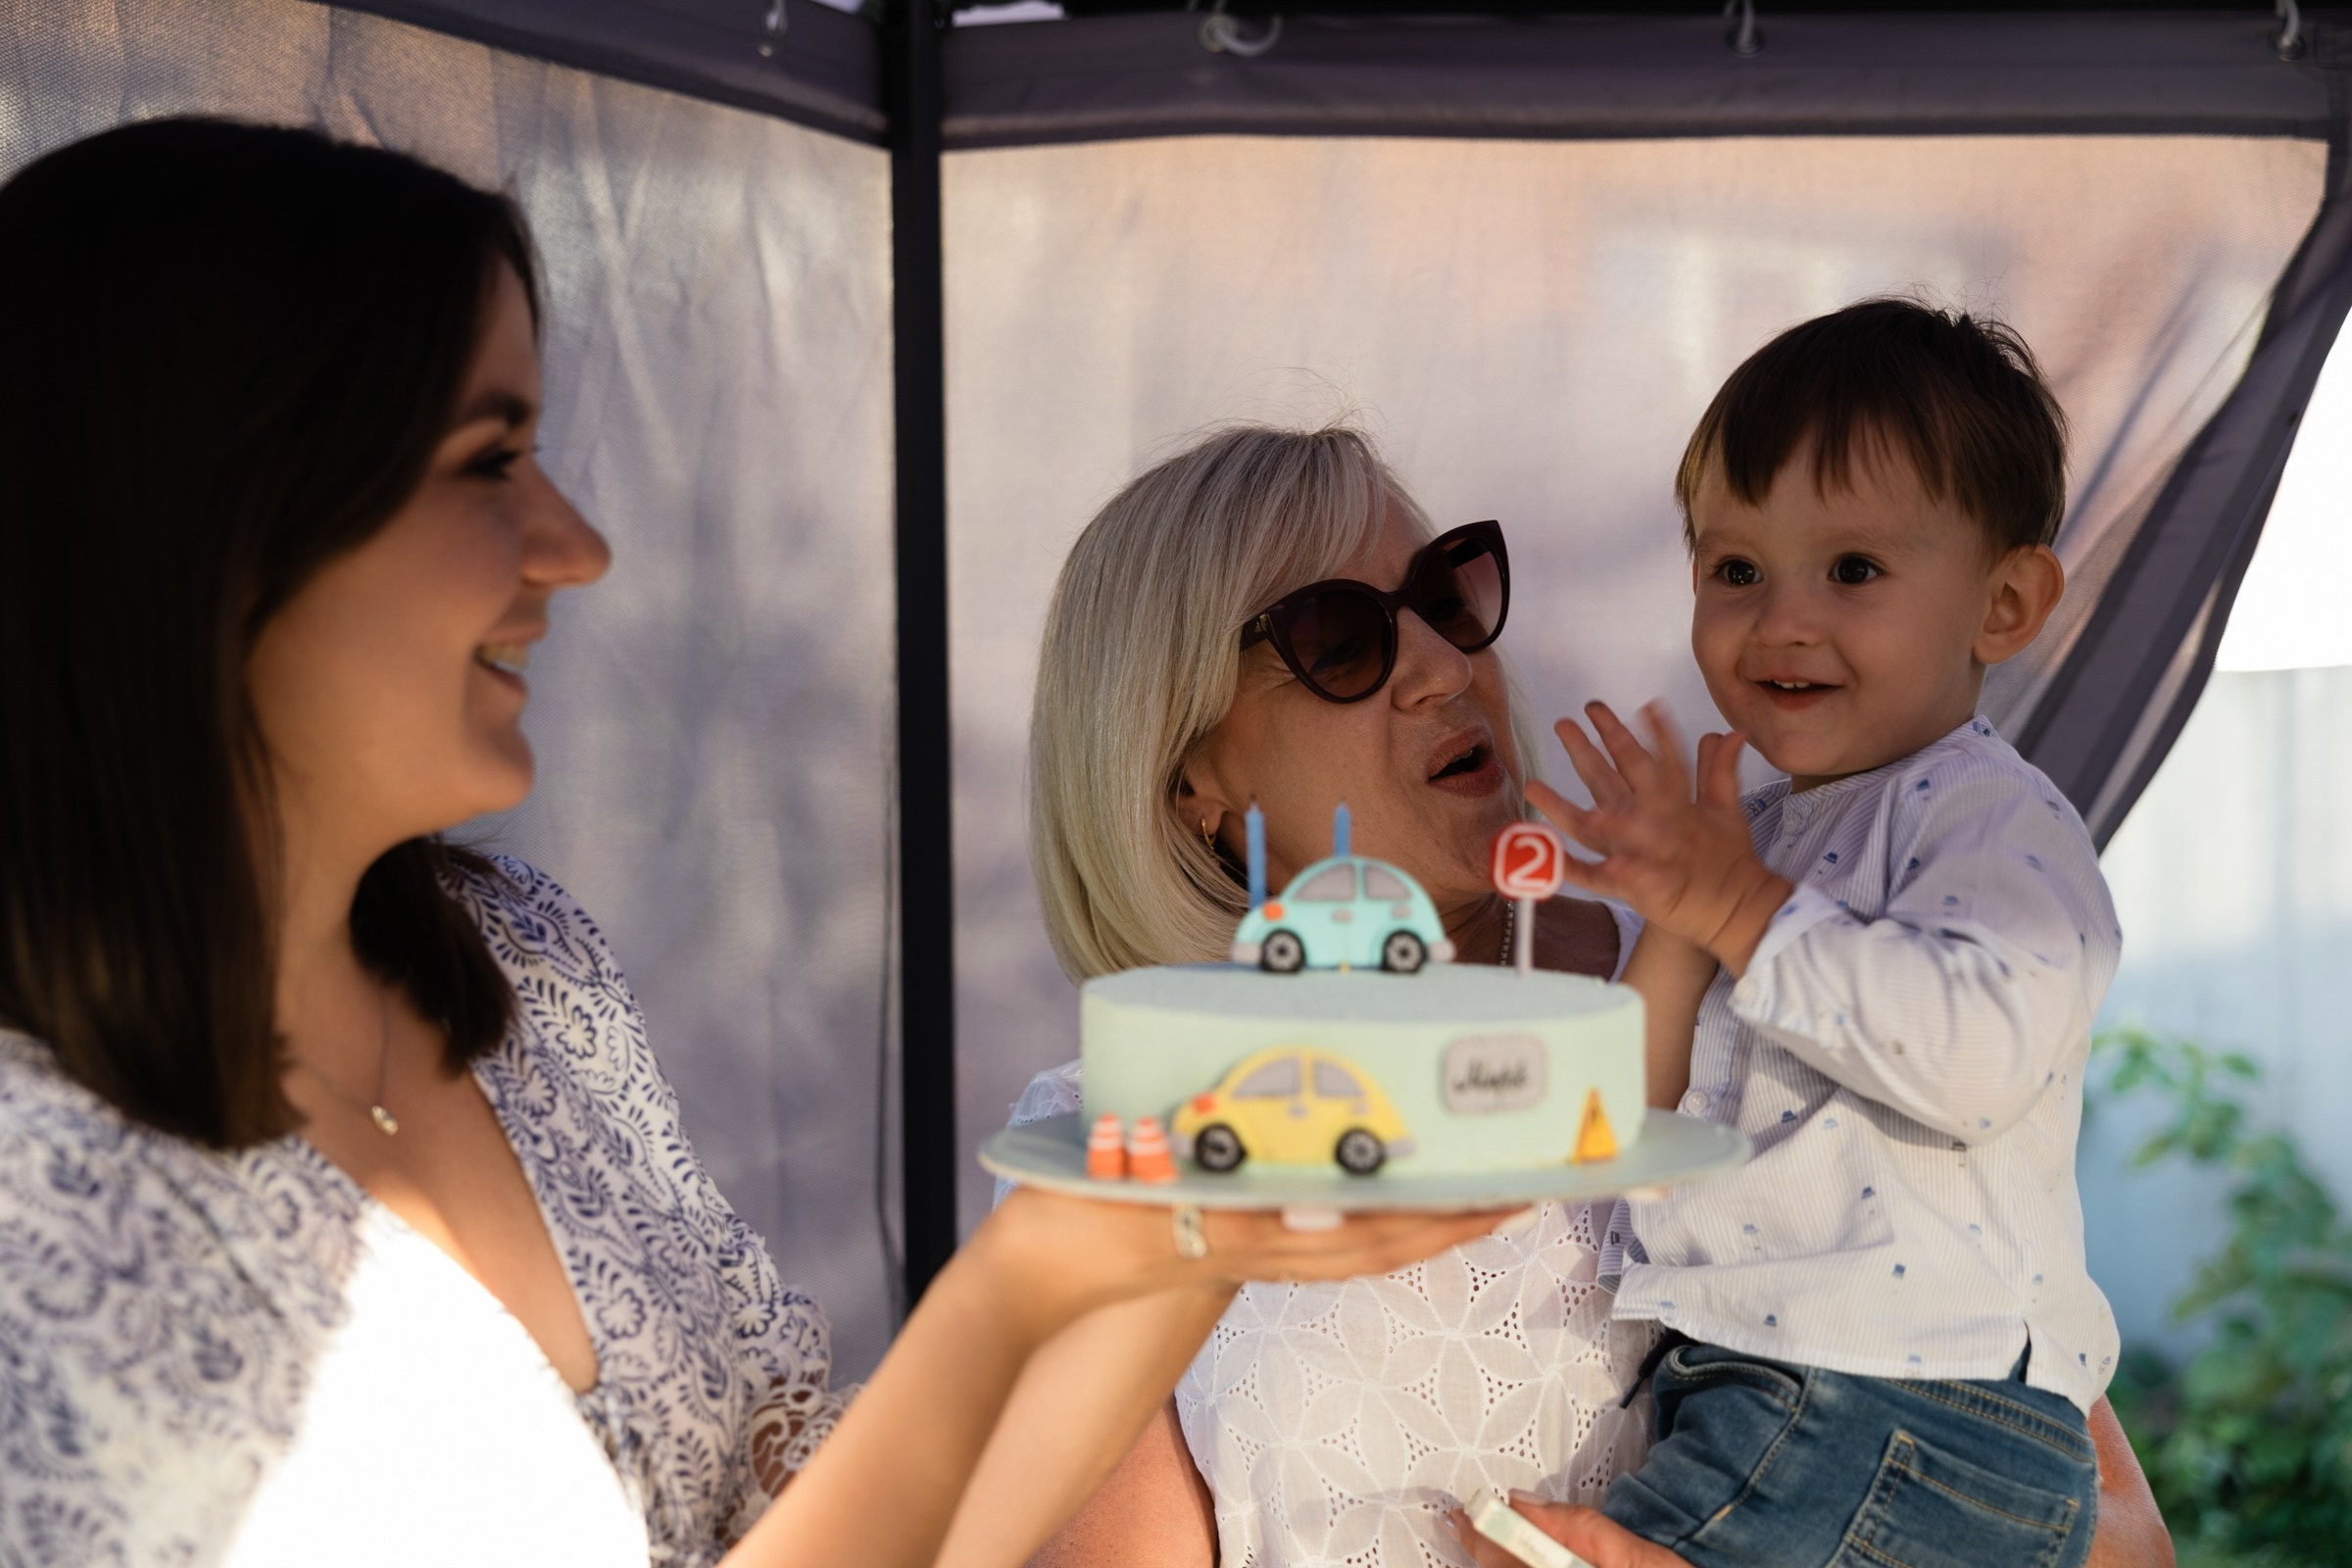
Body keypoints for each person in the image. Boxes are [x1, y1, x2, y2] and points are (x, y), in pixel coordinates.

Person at [0, 118, 1519, 1568]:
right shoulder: (34, 1199)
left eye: (1452, 597)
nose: (577, 545)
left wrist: (1161, 1247)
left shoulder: (527, 968)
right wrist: (1038, 1279)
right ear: (206, 515)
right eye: (487, 460)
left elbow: (801, 1499)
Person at [991, 421, 2172, 1568]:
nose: (1448, 666)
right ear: (1189, 772)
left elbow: (2107, 1527)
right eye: (1340, 639)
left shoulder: (1760, 971)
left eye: (1447, 600)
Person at [1532, 300, 2130, 1568]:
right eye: (1735, 569)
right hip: (1776, 1389)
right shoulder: (1757, 841)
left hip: (1914, 1403)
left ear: (2006, 603)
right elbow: (1620, 1135)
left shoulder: (1994, 823)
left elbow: (1971, 1059)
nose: (1782, 620)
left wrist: (1737, 907)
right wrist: (1679, 918)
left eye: (1852, 570)